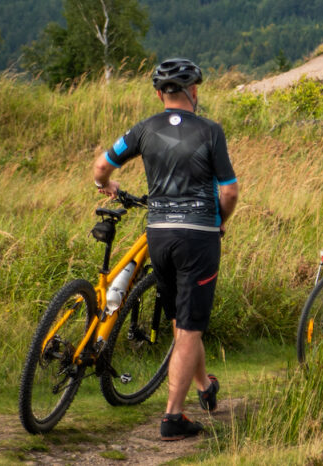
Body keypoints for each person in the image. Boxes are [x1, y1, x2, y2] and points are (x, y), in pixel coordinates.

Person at [91, 58, 238, 441]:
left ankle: (204, 386)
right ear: (194, 92)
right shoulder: (211, 131)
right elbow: (230, 190)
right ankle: (173, 416)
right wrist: (221, 219)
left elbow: (101, 167)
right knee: (189, 326)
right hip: (197, 238)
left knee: (181, 320)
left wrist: (105, 185)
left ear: (159, 94)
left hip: (158, 234)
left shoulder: (143, 129)